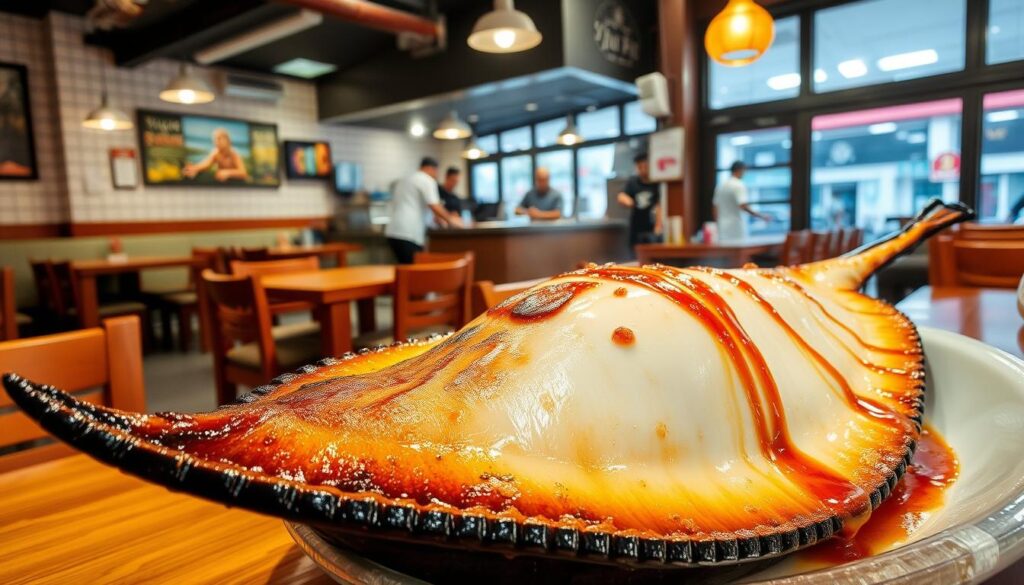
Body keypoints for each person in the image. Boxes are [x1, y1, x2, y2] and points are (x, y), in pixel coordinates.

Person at [385, 157, 463, 264]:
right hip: (409, 233)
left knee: (405, 270)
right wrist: (451, 220)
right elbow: (434, 205)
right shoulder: (426, 179)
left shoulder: (405, 179)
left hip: (393, 231)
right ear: (432, 169)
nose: (437, 175)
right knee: (414, 272)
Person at [712, 161, 771, 241]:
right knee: (739, 251)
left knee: (725, 251)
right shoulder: (738, 185)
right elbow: (743, 205)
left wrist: (717, 223)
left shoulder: (721, 186)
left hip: (722, 226)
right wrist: (761, 216)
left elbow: (715, 207)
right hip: (736, 226)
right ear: (740, 170)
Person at [616, 152, 662, 246]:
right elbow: (621, 196)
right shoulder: (633, 182)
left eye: (645, 166)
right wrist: (627, 201)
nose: (642, 170)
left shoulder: (657, 183)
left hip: (653, 227)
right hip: (637, 226)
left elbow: (659, 206)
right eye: (639, 167)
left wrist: (658, 225)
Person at [183, 128, 249, 182]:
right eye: (215, 139)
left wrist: (227, 172)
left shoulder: (234, 154)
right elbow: (205, 164)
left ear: (227, 140)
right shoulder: (216, 152)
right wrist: (194, 168)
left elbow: (244, 173)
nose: (216, 142)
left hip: (237, 183)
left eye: (219, 139)